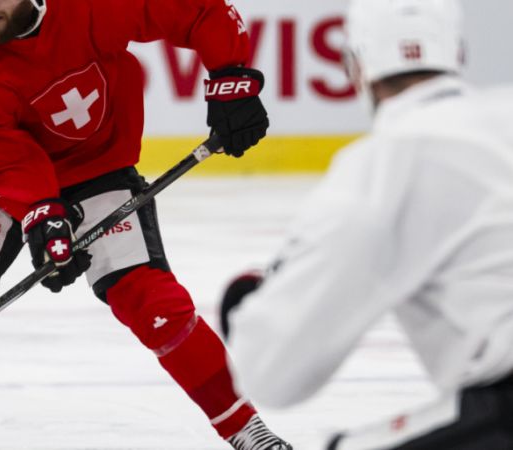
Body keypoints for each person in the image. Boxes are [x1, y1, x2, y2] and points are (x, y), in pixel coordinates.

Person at [0, 0, 291, 448]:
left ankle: (246, 430)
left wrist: (230, 77)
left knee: (154, 305)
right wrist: (42, 214)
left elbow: (200, 10)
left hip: (97, 166)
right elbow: (1, 165)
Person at [220, 0, 513, 448]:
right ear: (458, 54)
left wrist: (248, 309)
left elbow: (273, 374)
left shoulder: (382, 165)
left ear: (354, 66)